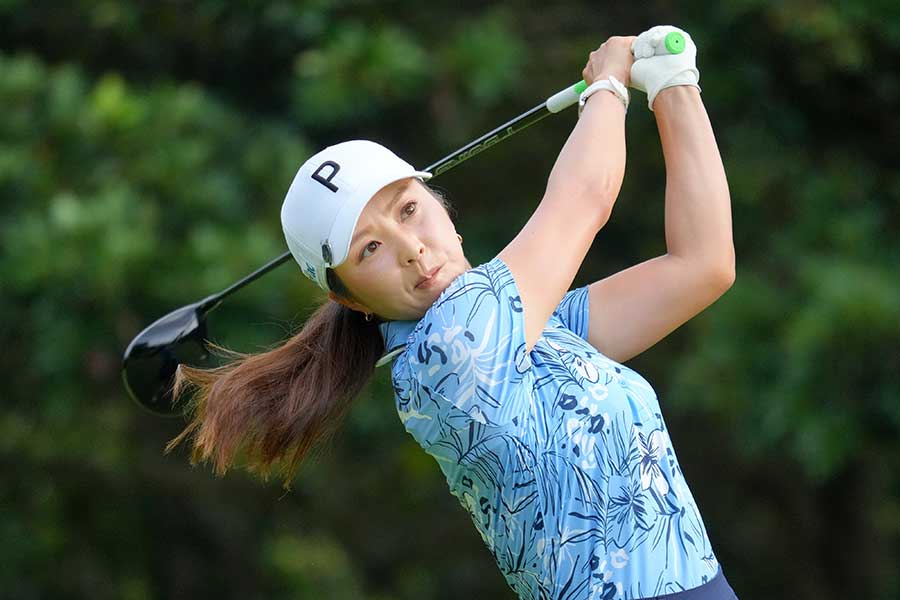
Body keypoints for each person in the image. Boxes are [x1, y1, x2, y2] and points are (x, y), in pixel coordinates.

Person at [168, 25, 738, 600]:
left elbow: (702, 264)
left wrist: (674, 83)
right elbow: (585, 198)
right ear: (351, 300)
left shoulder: (537, 332)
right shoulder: (453, 350)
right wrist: (608, 86)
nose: (410, 248)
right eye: (370, 249)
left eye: (409, 209)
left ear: (441, 203)